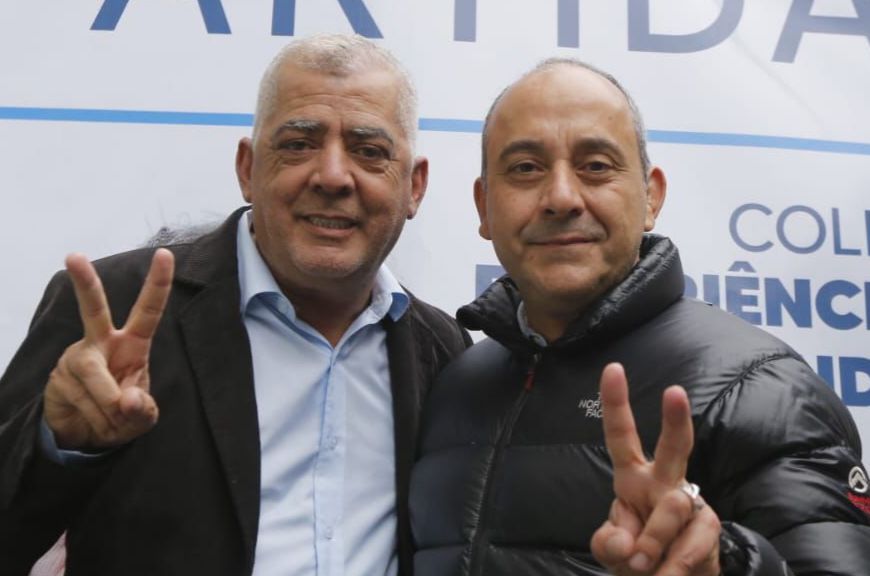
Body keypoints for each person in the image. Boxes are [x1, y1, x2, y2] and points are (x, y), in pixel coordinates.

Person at [0, 34, 470, 576]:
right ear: (248, 168)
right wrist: (60, 446)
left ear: (415, 186)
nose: (333, 176)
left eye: (369, 151)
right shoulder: (116, 310)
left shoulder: (443, 350)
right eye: (298, 143)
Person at [409, 58, 870, 575]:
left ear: (651, 197)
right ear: (484, 207)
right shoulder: (457, 385)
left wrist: (725, 564)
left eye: (596, 166)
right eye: (525, 169)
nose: (561, 197)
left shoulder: (758, 387)